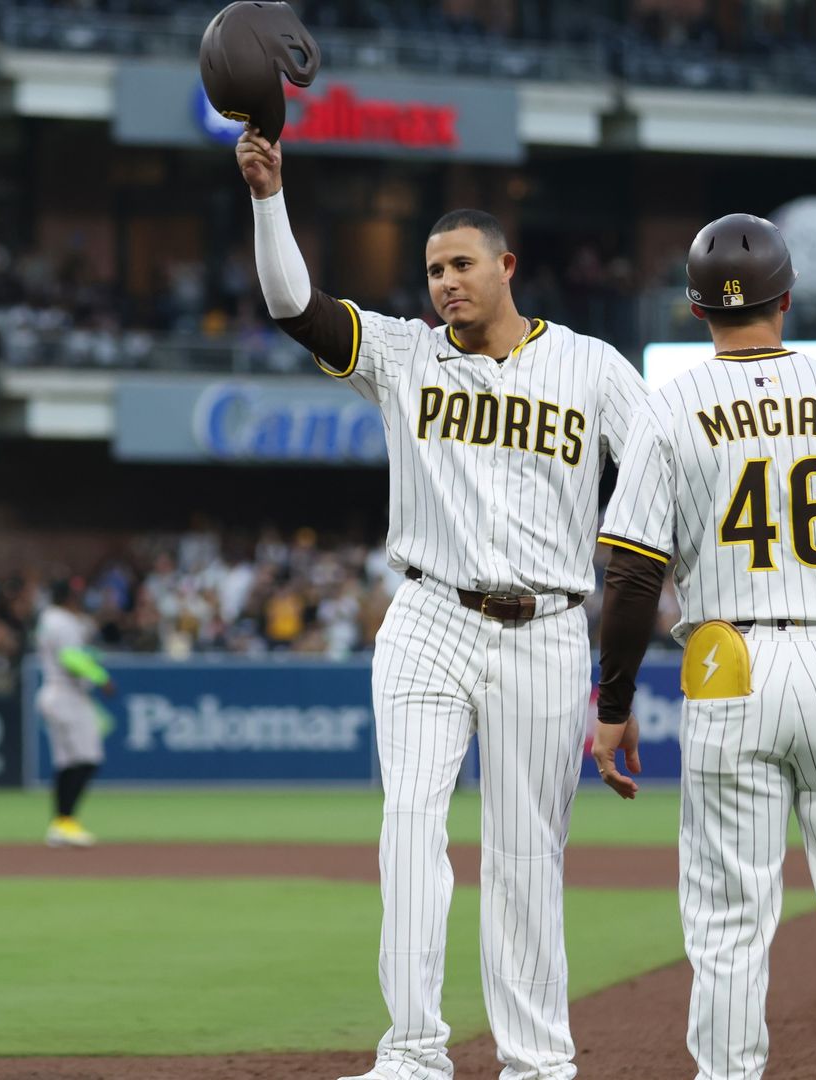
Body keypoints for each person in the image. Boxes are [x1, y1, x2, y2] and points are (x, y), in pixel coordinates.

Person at [239, 127, 648, 1080]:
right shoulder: (404, 355)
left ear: (507, 266)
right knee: (410, 829)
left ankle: (538, 1062)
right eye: (432, 270)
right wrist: (269, 196)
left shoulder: (590, 367)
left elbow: (664, 474)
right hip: (427, 615)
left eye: (462, 264)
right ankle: (413, 1054)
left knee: (524, 855)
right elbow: (295, 306)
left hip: (547, 627)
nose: (446, 283)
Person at [592, 213, 816, 1079]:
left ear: (695, 308)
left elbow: (633, 574)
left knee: (727, 921)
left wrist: (612, 706)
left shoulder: (670, 405)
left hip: (728, 664)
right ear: (787, 298)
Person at [34, 581, 115, 847]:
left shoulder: (48, 619)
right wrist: (100, 676)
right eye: (76, 595)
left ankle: (61, 824)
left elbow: (70, 652)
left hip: (53, 692)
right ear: (68, 598)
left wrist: (89, 655)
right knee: (87, 759)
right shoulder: (64, 622)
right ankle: (65, 821)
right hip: (68, 695)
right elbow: (70, 658)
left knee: (68, 763)